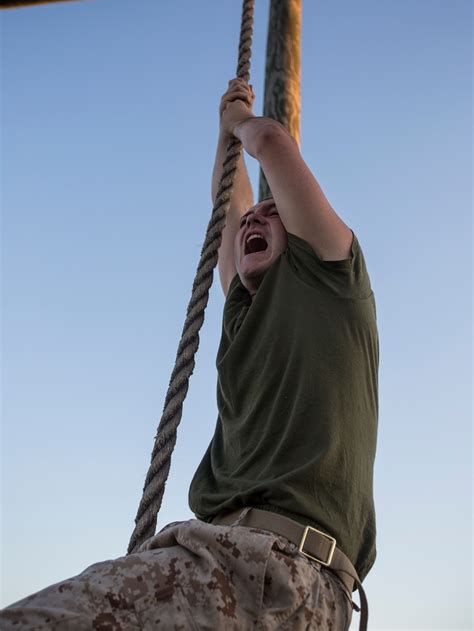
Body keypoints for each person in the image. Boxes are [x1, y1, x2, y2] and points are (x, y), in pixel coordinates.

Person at [1, 79, 378, 630]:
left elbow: (271, 140)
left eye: (273, 213)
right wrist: (223, 138)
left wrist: (241, 121)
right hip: (241, 562)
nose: (255, 219)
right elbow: (231, 204)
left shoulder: (331, 276)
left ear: (300, 233)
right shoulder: (244, 313)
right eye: (255, 215)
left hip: (274, 572)